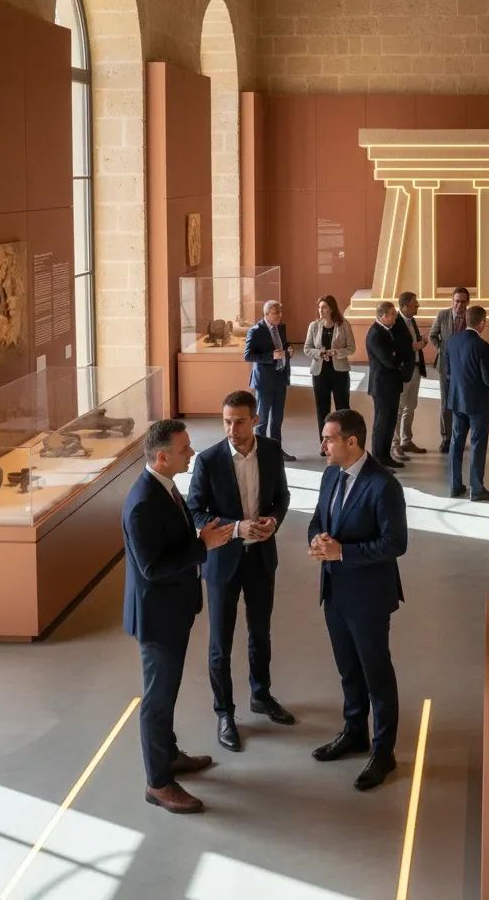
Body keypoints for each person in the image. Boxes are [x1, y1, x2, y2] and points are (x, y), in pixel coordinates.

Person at [122, 419, 234, 814]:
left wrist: (202, 539)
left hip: (174, 611)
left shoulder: (165, 489)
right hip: (157, 618)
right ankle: (158, 783)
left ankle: (168, 755)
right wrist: (203, 546)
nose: (192, 454)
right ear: (163, 456)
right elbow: (152, 567)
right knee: (157, 700)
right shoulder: (141, 503)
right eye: (185, 449)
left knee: (167, 694)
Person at [187, 390, 293, 753]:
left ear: (256, 420)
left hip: (262, 557)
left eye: (240, 421)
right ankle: (224, 713)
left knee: (260, 634)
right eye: (227, 422)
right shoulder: (208, 460)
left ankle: (260, 695)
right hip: (222, 563)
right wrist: (235, 529)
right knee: (221, 643)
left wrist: (273, 521)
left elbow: (282, 497)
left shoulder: (272, 452)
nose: (232, 429)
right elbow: (195, 511)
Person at [308, 408, 407, 791]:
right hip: (334, 591)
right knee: (348, 669)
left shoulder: (384, 485)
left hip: (368, 596)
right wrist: (316, 540)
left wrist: (342, 553)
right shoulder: (330, 474)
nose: (322, 445)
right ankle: (354, 733)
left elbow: (395, 543)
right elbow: (319, 519)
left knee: (376, 674)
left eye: (328, 439)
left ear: (352, 442)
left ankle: (384, 752)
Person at [446, 304, 489, 502]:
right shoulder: (482, 346)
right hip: (478, 403)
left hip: (457, 399)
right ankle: (476, 489)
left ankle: (455, 485)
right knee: (477, 443)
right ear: (482, 323)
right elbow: (487, 378)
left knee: (456, 442)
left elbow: (449, 371)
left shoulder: (452, 341)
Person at [304, 294, 355, 456]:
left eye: (324, 307)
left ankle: (344, 443)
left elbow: (351, 348)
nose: (321, 310)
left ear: (332, 309)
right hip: (320, 373)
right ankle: (325, 444)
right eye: (319, 307)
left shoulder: (343, 324)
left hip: (339, 372)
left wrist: (336, 352)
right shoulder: (314, 326)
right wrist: (320, 353)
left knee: (343, 409)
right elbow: (307, 348)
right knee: (322, 410)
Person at [244, 299, 295, 461]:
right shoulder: (255, 331)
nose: (279, 316)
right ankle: (259, 452)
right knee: (262, 418)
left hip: (280, 378)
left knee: (277, 418)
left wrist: (289, 349)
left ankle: (276, 450)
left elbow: (284, 345)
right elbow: (248, 355)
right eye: (276, 313)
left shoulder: (281, 327)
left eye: (280, 312)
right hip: (264, 381)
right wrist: (271, 356)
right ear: (266, 314)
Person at [428, 286, 470, 453]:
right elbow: (433, 335)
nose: (459, 305)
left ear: (468, 302)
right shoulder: (443, 315)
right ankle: (446, 438)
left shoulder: (470, 317)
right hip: (445, 367)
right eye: (456, 301)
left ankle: (460, 437)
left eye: (462, 302)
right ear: (452, 301)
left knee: (462, 403)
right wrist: (442, 348)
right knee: (446, 403)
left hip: (465, 369)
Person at [365, 301, 404, 469]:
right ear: (383, 316)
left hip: (391, 385)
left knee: (390, 421)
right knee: (382, 423)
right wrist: (398, 358)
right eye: (393, 314)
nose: (396, 316)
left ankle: (386, 455)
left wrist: (397, 355)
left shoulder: (387, 331)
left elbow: (396, 353)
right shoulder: (375, 334)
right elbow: (390, 361)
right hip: (382, 386)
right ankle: (378, 459)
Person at [391, 291, 428, 462]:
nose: (417, 306)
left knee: (411, 406)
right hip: (403, 371)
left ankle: (407, 440)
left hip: (415, 369)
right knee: (398, 408)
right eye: (415, 304)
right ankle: (395, 444)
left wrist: (420, 344)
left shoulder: (411, 320)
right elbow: (394, 349)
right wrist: (413, 347)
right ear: (404, 306)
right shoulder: (395, 322)